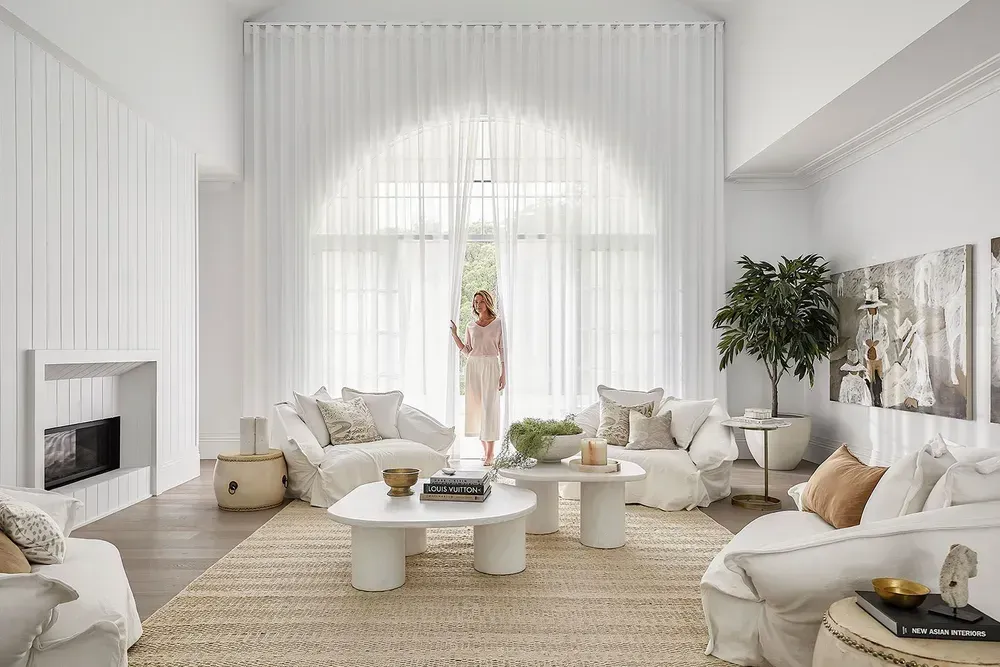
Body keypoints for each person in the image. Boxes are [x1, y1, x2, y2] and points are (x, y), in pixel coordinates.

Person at [450, 290, 506, 465]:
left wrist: (504, 372)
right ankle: (485, 451)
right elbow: (467, 350)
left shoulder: (498, 324)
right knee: (476, 409)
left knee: (490, 408)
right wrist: (454, 335)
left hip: (491, 365)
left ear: (488, 302)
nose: (477, 304)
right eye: (475, 302)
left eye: (481, 301)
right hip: (473, 366)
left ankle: (491, 453)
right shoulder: (471, 326)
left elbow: (502, 349)